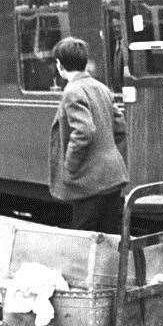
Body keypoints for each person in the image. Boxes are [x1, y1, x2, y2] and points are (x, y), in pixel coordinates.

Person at [47, 37, 128, 233]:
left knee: (85, 240)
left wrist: (71, 167)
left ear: (60, 65)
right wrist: (105, 154)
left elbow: (83, 131)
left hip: (89, 182)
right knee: (111, 238)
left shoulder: (72, 91)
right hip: (112, 177)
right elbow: (120, 127)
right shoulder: (101, 88)